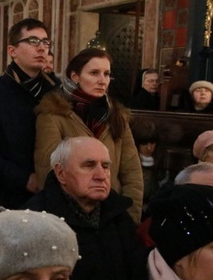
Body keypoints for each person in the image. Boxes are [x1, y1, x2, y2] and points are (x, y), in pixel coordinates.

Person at [24, 137, 138, 280]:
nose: (101, 175)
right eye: (89, 165)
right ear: (61, 173)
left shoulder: (119, 215)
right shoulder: (36, 221)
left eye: (106, 166)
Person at [0, 18, 59, 213]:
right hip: (5, 199)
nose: (41, 48)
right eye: (33, 41)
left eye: (46, 42)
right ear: (12, 51)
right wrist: (23, 179)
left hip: (53, 197)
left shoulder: (58, 94)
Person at [34, 47, 143, 223]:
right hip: (71, 215)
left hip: (113, 212)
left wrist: (130, 217)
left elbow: (132, 172)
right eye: (94, 73)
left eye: (107, 74)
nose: (102, 80)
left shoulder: (115, 115)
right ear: (75, 76)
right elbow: (48, 170)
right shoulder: (53, 113)